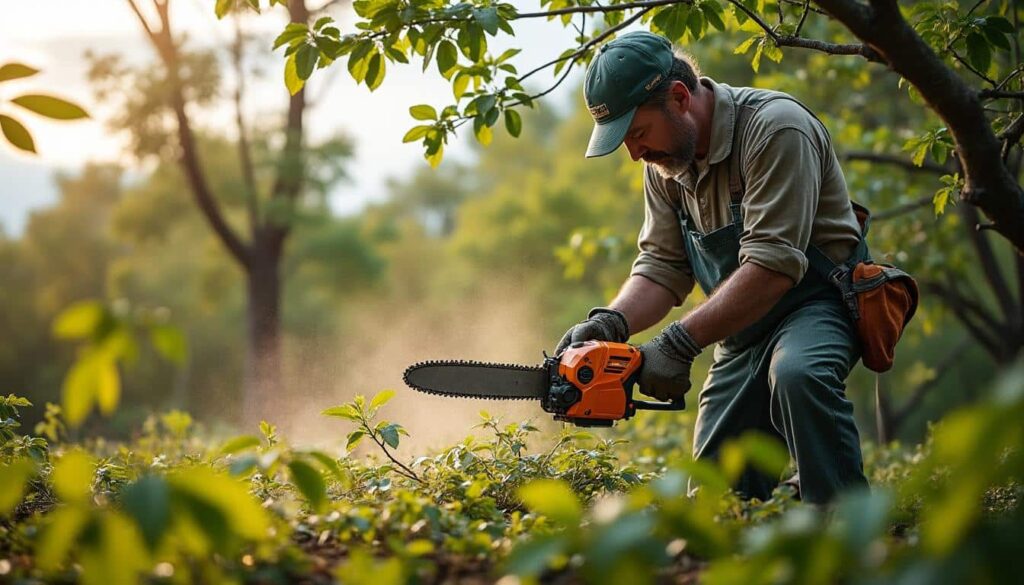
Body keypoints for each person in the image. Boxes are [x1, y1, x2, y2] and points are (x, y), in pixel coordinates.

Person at [556, 31, 869, 504]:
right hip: (740, 325)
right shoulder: (666, 164)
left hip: (816, 303)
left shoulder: (775, 129)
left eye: (637, 134)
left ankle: (847, 529)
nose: (635, 153)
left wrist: (678, 343)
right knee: (714, 502)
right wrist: (611, 322)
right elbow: (662, 265)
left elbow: (772, 266)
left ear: (680, 98)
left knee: (798, 373)